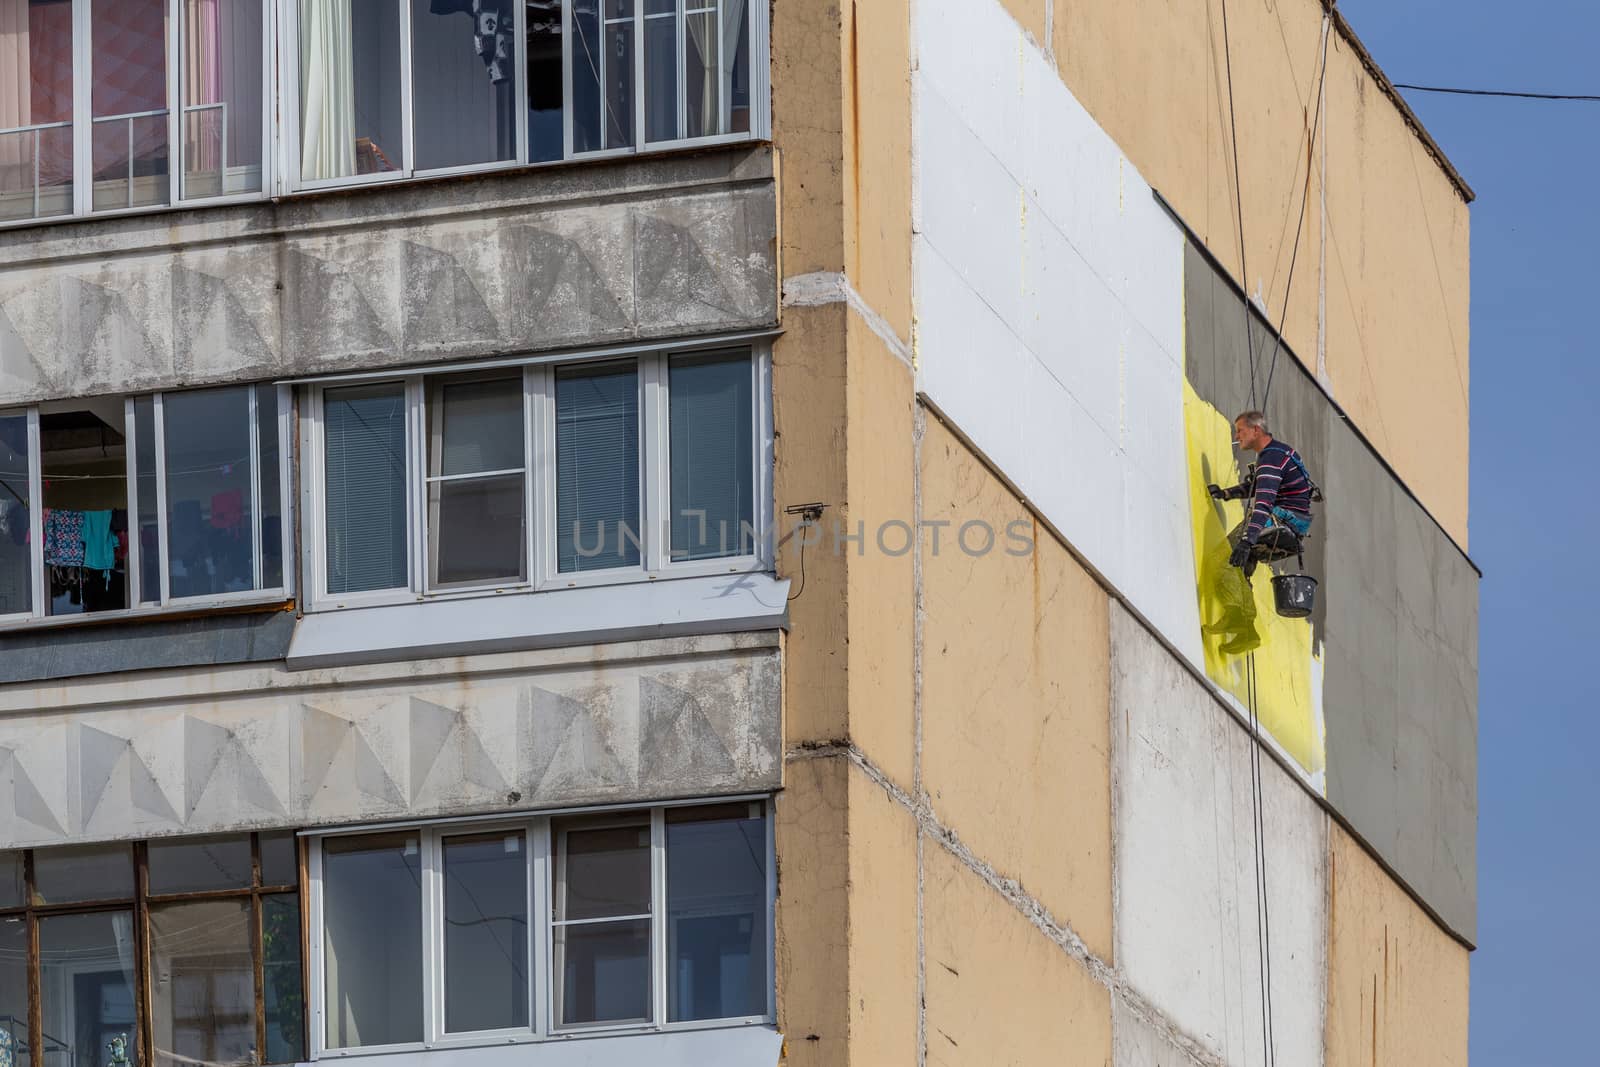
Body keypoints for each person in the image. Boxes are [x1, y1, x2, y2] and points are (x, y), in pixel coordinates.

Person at [1206, 410, 1316, 571]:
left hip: (1285, 521)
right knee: (1240, 557)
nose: (1237, 437)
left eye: (1240, 430)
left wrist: (1247, 541)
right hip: (1295, 522)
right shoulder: (1280, 451)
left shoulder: (1270, 458)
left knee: (1225, 558)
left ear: (1256, 430)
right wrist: (1225, 494)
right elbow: (1257, 487)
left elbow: (1264, 503)